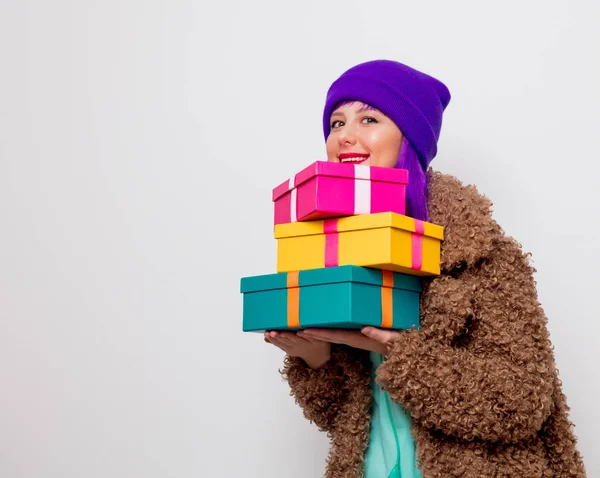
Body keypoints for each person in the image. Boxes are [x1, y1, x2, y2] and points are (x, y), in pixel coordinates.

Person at [264, 60, 586, 478]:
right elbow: (344, 421)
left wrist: (400, 354)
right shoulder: (328, 252)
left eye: (368, 118)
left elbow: (523, 401)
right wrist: (316, 359)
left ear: (408, 138)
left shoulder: (481, 253)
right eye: (336, 122)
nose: (345, 136)